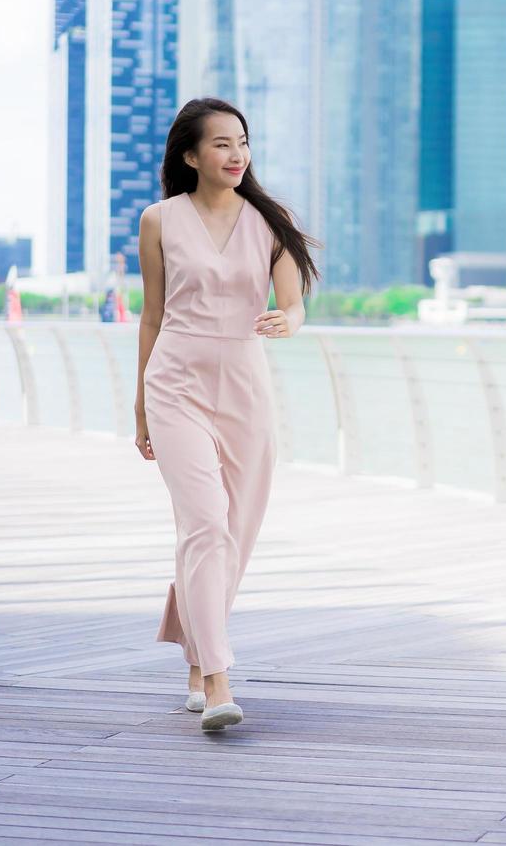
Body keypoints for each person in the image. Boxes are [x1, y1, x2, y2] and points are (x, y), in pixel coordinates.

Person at [133, 97, 320, 732]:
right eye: (220, 144)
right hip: (176, 382)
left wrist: (285, 322)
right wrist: (141, 408)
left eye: (241, 141)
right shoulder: (159, 220)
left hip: (245, 384)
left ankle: (194, 652)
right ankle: (217, 681)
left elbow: (294, 305)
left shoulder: (271, 221)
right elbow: (152, 316)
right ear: (190, 156)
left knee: (233, 534)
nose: (236, 153)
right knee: (205, 523)